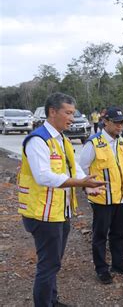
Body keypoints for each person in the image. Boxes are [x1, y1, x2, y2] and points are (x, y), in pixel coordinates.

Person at [17, 92, 105, 306]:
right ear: (52, 112)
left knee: (53, 263)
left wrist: (86, 186)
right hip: (42, 214)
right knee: (47, 265)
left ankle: (52, 300)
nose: (72, 118)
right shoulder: (38, 140)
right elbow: (43, 176)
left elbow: (72, 168)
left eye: (73, 113)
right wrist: (81, 184)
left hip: (59, 212)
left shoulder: (62, 140)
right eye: (68, 113)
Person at [79, 107, 123, 284]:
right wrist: (87, 187)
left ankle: (118, 263)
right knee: (100, 235)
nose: (120, 126)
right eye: (117, 122)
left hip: (121, 197)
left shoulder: (120, 141)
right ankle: (102, 269)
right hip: (102, 198)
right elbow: (81, 167)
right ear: (106, 122)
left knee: (120, 233)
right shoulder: (94, 143)